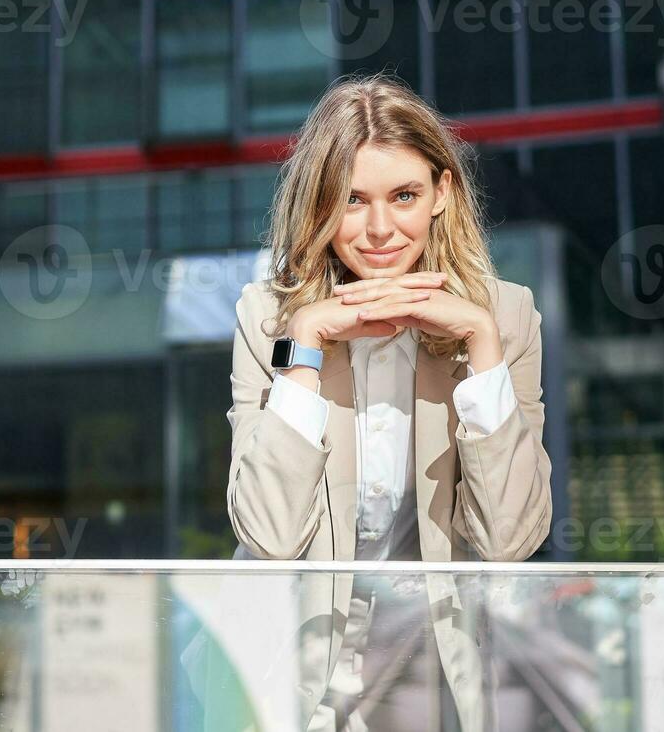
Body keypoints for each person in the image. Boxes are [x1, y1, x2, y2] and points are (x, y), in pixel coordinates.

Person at [222, 72, 555, 730]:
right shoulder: (268, 318)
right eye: (351, 200)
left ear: (441, 192)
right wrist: (307, 342)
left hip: (432, 672)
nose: (379, 229)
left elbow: (510, 540)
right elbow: (269, 537)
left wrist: (480, 343)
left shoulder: (506, 316)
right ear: (318, 205)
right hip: (286, 666)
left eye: (403, 195)